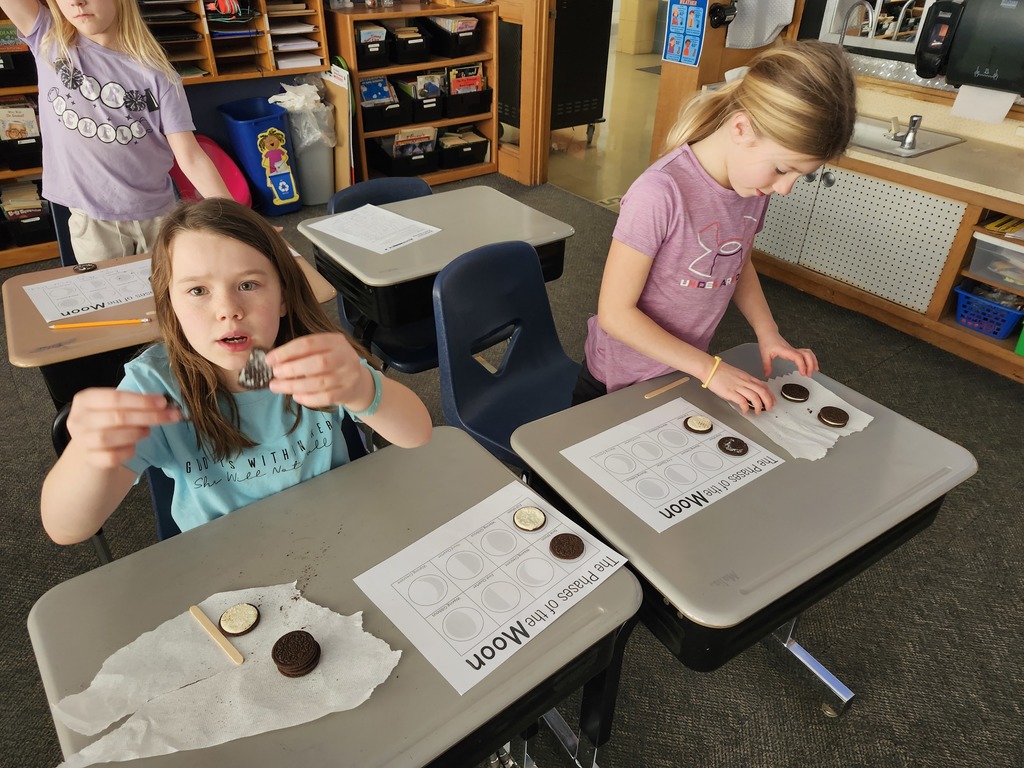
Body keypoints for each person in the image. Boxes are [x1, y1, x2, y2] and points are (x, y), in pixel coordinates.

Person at [40, 198, 433, 543]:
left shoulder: (312, 358)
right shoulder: (154, 387)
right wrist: (89, 455)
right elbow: (67, 528)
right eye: (198, 290)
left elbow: (417, 434)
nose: (227, 309)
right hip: (225, 563)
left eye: (248, 284)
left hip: (338, 532)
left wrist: (363, 389)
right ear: (170, 305)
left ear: (282, 297)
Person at [573, 40, 856, 412]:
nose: (784, 189)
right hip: (619, 379)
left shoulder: (753, 186)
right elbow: (615, 314)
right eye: (783, 169)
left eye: (798, 177)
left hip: (683, 369)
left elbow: (738, 264)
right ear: (741, 129)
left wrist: (768, 333)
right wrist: (710, 370)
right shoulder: (660, 192)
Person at [1, 0, 232, 263]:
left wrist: (236, 218)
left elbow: (190, 156)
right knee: (107, 300)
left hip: (158, 216)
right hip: (94, 221)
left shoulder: (160, 75)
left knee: (166, 296)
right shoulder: (48, 38)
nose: (77, 2)